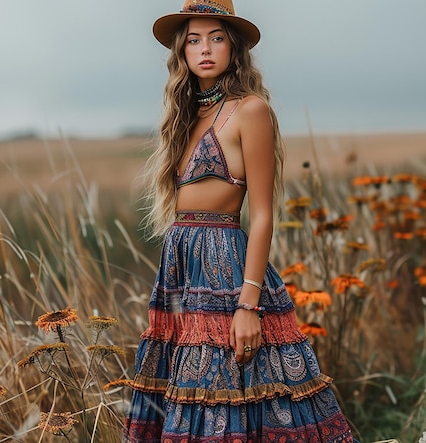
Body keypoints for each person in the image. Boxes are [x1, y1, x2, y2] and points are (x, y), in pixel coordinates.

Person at [124, 1, 356, 441]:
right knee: (184, 393)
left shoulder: (250, 110)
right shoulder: (185, 114)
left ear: (234, 47)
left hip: (225, 265)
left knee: (233, 390)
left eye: (217, 38)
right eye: (194, 40)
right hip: (181, 265)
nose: (205, 49)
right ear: (182, 51)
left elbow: (264, 213)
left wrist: (247, 305)